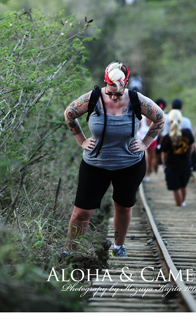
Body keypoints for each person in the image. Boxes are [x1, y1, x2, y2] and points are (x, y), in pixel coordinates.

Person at [63, 61, 165, 258]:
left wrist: (145, 143)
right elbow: (69, 114)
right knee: (81, 212)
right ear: (105, 83)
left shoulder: (136, 100)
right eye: (110, 93)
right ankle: (68, 250)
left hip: (129, 165)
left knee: (123, 206)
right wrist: (82, 141)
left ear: (125, 85)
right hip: (95, 165)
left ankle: (119, 247)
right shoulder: (92, 98)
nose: (114, 97)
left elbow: (160, 117)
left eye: (118, 94)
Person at [161, 109, 195, 207]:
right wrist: (188, 155)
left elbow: (164, 154)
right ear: (181, 120)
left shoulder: (167, 137)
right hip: (186, 163)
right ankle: (183, 203)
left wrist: (164, 165)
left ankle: (179, 206)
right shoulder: (188, 133)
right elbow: (191, 146)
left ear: (169, 121)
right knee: (183, 185)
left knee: (176, 188)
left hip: (172, 166)